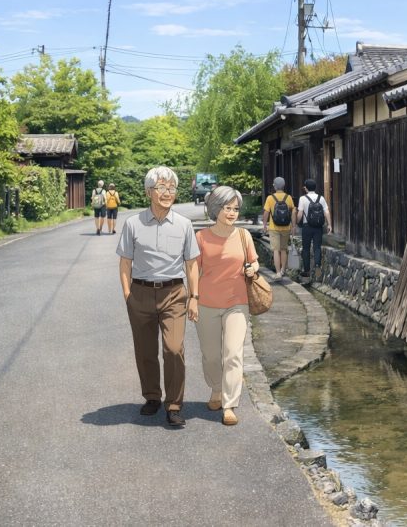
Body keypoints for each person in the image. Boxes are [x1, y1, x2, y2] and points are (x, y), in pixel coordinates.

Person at [116, 166, 200, 427]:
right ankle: (152, 396)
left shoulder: (185, 224)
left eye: (172, 188)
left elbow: (192, 263)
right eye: (161, 188)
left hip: (174, 293)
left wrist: (194, 296)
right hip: (140, 293)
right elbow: (125, 264)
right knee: (145, 350)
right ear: (148, 191)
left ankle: (174, 405)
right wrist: (128, 295)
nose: (167, 193)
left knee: (174, 349)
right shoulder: (133, 224)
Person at [189, 185, 258, 426]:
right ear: (216, 209)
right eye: (227, 208)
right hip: (207, 303)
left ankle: (229, 404)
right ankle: (216, 389)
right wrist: (193, 298)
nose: (232, 213)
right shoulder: (201, 238)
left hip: (237, 303)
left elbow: (254, 262)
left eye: (235, 208)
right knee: (210, 355)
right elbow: (194, 270)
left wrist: (253, 268)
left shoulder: (243, 236)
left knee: (233, 354)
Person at [294, 178, 332, 282]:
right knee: (317, 247)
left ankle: (307, 271)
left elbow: (300, 213)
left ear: (306, 188)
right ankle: (317, 265)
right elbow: (326, 212)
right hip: (318, 227)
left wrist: (296, 222)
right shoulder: (321, 198)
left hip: (307, 227)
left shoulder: (302, 198)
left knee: (305, 248)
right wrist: (329, 224)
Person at [262, 176, 294, 279]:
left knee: (276, 250)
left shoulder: (270, 198)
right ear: (283, 186)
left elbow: (266, 213)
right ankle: (283, 270)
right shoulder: (288, 197)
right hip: (286, 227)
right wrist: (293, 226)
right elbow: (293, 212)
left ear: (274, 186)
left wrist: (264, 225)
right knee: (284, 249)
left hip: (274, 227)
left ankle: (278, 272)